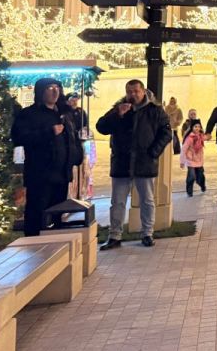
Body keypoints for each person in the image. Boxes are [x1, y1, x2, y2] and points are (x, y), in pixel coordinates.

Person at [96, 80, 172, 249]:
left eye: (136, 91)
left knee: (147, 200)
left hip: (144, 162)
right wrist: (118, 115)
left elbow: (166, 132)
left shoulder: (155, 110)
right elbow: (101, 127)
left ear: (143, 91)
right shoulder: (119, 108)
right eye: (129, 91)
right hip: (121, 163)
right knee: (118, 201)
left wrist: (153, 152)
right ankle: (114, 236)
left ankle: (147, 233)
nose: (133, 95)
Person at [11, 78, 83, 236]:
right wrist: (48, 133)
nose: (54, 91)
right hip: (41, 175)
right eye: (50, 88)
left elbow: (73, 138)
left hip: (62, 175)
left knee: (57, 214)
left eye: (57, 87)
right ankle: (33, 244)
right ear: (41, 91)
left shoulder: (65, 113)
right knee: (37, 215)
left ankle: (56, 251)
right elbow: (20, 138)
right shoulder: (29, 114)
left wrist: (77, 156)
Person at [180, 119, 207, 197]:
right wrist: (182, 161)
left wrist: (209, 135)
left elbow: (206, 137)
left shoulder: (201, 136)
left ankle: (202, 186)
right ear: (192, 127)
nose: (197, 128)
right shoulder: (189, 138)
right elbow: (184, 149)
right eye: (195, 126)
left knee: (200, 177)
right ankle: (189, 192)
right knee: (191, 176)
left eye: (199, 126)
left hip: (199, 160)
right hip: (190, 160)